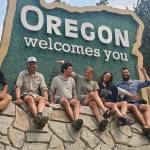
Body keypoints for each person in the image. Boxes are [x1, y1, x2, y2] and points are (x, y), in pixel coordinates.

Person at [72, 67, 113, 132]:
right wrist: (64, 64)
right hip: (80, 100)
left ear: (92, 74)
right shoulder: (80, 78)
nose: (87, 74)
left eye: (89, 73)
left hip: (88, 101)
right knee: (91, 93)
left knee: (93, 103)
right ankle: (104, 110)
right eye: (86, 73)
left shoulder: (94, 83)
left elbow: (96, 95)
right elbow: (71, 72)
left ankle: (100, 122)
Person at [15, 57, 49, 129]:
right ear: (27, 65)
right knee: (30, 98)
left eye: (33, 64)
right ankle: (38, 119)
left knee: (42, 99)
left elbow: (44, 88)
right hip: (25, 95)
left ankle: (39, 116)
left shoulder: (40, 76)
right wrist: (18, 98)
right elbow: (18, 86)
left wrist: (46, 99)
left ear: (36, 65)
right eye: (30, 64)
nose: (32, 65)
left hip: (36, 95)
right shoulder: (22, 74)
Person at [50, 63, 83, 131]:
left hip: (70, 98)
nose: (71, 71)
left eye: (71, 69)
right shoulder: (56, 79)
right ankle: (74, 121)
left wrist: (75, 99)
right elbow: (51, 92)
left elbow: (74, 92)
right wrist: (52, 102)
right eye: (70, 69)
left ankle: (76, 120)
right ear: (64, 70)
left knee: (77, 102)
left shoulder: (72, 80)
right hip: (59, 98)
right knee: (65, 101)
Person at [116, 67, 150, 134]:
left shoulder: (136, 82)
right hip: (127, 104)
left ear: (129, 73)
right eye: (123, 73)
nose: (125, 73)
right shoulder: (118, 84)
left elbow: (148, 83)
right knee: (133, 106)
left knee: (148, 107)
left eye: (126, 72)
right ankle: (144, 125)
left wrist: (144, 72)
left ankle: (148, 125)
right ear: (121, 74)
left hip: (137, 103)